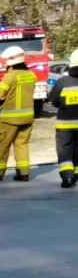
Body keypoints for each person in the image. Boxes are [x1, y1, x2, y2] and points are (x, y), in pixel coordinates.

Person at [0, 46, 37, 181]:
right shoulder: (31, 75)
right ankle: (24, 173)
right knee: (22, 144)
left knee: (3, 145)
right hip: (27, 118)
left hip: (9, 119)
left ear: (10, 61)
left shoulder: (9, 76)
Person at [47, 48, 78, 188]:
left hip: (65, 125)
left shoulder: (62, 82)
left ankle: (67, 177)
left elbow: (53, 100)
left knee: (65, 150)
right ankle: (75, 174)